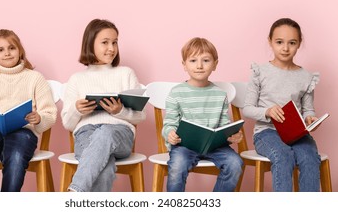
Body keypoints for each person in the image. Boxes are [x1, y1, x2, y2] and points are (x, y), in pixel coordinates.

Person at [0, 29, 57, 192]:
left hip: (23, 130)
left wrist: (39, 118)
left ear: (20, 50)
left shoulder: (35, 78)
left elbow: (49, 113)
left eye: (11, 48)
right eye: (0, 50)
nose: (7, 53)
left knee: (15, 157)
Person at [61, 19, 146, 192]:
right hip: (86, 133)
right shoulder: (76, 79)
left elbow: (140, 116)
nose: (112, 48)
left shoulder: (126, 74)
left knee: (106, 132)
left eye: (115, 42)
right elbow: (68, 124)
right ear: (90, 44)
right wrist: (77, 111)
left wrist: (120, 111)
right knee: (105, 169)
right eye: (105, 42)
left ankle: (75, 190)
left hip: (120, 133)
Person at [242, 18, 322, 192]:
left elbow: (308, 108)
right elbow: (247, 108)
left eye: (292, 43)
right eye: (279, 42)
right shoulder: (260, 72)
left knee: (310, 158)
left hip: (296, 133)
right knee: (283, 156)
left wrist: (310, 118)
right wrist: (268, 111)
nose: (285, 48)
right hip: (266, 132)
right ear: (270, 41)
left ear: (299, 44)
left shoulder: (306, 77)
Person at [162, 37, 243, 192]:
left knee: (235, 163)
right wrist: (170, 134)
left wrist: (232, 134)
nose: (199, 66)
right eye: (193, 60)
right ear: (184, 65)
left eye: (205, 60)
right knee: (177, 167)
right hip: (184, 146)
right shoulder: (176, 93)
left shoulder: (220, 94)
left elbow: (224, 124)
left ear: (215, 64)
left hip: (215, 147)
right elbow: (170, 123)